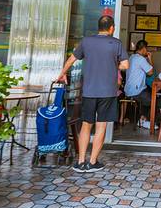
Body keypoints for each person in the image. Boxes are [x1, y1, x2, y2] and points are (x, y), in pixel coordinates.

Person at [57, 15, 129, 173]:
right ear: (112, 28)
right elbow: (125, 65)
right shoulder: (116, 43)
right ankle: (93, 162)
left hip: (89, 91)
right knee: (101, 125)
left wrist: (62, 74)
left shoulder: (86, 41)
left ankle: (80, 162)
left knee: (86, 125)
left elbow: (71, 60)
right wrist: (114, 64)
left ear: (99, 27)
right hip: (108, 92)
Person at [124, 40, 154, 129]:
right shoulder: (141, 59)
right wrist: (150, 59)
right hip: (136, 90)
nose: (147, 51)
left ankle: (142, 118)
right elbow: (150, 73)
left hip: (128, 89)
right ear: (144, 48)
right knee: (153, 99)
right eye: (146, 49)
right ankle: (143, 120)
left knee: (149, 91)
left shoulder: (131, 57)